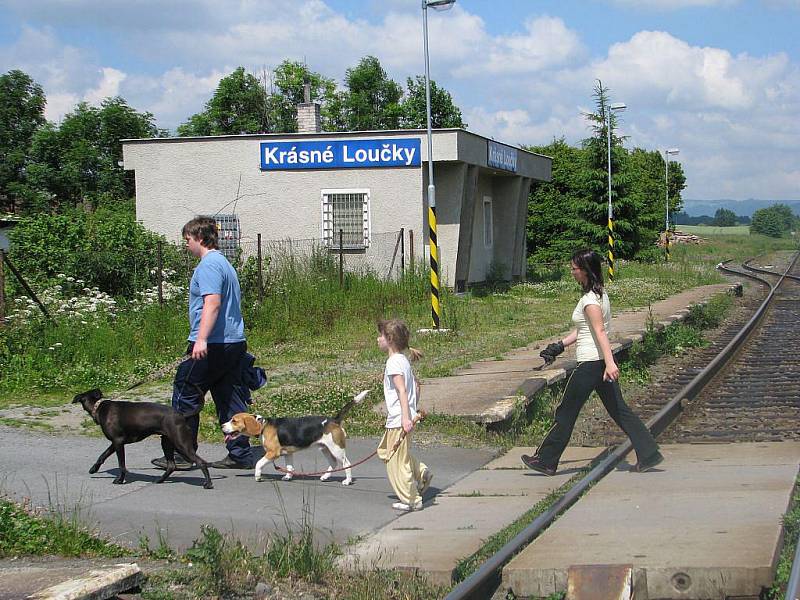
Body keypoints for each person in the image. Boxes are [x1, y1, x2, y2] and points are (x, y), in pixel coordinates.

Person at [522, 249, 664, 475]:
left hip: (590, 364)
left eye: (574, 269)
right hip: (599, 362)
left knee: (566, 412)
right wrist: (560, 345)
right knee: (620, 410)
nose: (572, 272)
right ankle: (649, 453)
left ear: (586, 271)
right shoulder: (600, 295)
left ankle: (546, 460)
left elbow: (599, 332)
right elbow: (585, 330)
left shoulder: (590, 300)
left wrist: (610, 363)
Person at [151, 217, 255, 471]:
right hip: (233, 342)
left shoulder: (208, 266)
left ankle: (182, 454)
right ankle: (240, 454)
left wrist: (200, 339)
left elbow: (213, 303)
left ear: (199, 238)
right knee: (229, 396)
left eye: (187, 239)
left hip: (212, 344)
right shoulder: (225, 264)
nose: (186, 245)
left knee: (186, 394)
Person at [376, 319, 433, 511]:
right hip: (405, 417)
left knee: (394, 462)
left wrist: (405, 418)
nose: (378, 339)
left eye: (381, 336)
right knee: (388, 452)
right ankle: (421, 471)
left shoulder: (393, 363)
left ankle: (411, 500)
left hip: (399, 421)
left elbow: (402, 391)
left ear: (390, 339)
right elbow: (415, 387)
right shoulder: (403, 360)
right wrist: (413, 409)